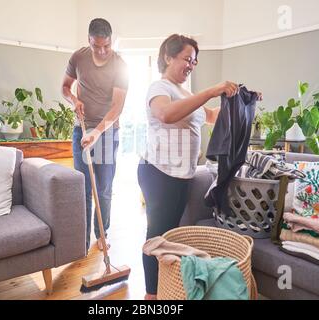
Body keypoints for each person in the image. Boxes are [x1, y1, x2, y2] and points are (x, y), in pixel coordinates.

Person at [138, 34, 262, 300]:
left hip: (182, 175)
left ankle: (167, 288)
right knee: (157, 233)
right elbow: (166, 114)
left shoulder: (187, 93)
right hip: (158, 172)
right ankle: (151, 295)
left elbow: (212, 116)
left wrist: (243, 100)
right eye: (187, 59)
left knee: (171, 234)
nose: (191, 65)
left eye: (194, 61)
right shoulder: (159, 87)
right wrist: (210, 91)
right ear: (168, 57)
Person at [62, 18, 129, 251]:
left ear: (112, 41)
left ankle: (102, 234)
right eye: (96, 46)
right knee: (83, 187)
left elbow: (117, 107)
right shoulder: (78, 58)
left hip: (107, 132)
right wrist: (74, 99)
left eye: (106, 46)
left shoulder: (120, 65)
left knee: (103, 188)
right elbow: (65, 87)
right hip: (81, 128)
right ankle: (82, 239)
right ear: (89, 40)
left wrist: (98, 133)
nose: (101, 51)